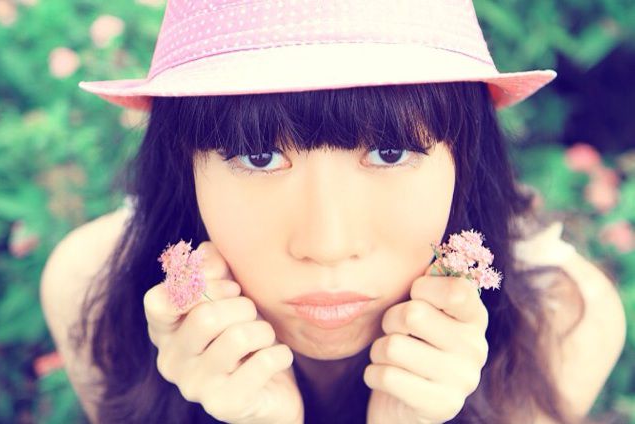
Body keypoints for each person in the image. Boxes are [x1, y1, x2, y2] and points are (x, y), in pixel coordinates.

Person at [39, 1, 627, 423]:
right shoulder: (95, 291)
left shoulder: (562, 326)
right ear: (182, 165)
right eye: (259, 156)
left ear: (466, 157)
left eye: (390, 152)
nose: (327, 244)